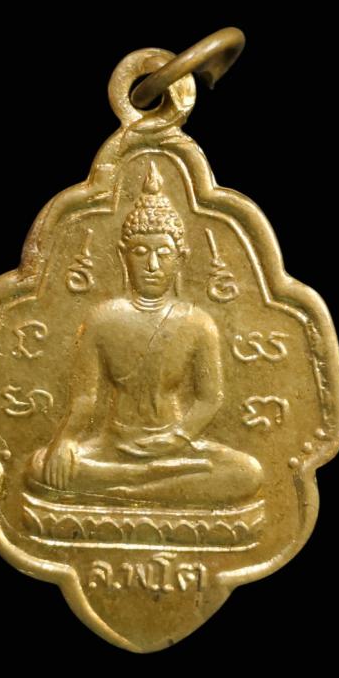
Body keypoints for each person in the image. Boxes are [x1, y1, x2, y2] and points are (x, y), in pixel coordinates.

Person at [28, 162, 263, 506]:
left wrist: (176, 438)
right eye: (140, 252)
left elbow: (209, 399)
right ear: (123, 256)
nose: (152, 265)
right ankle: (147, 486)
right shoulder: (102, 319)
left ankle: (128, 489)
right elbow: (85, 399)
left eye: (163, 253)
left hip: (175, 447)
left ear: (180, 258)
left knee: (248, 472)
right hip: (112, 446)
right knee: (39, 465)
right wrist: (65, 441)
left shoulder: (198, 323)